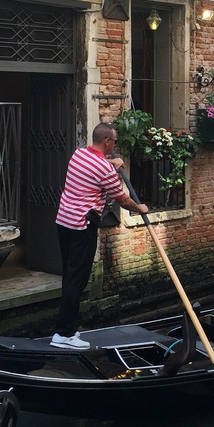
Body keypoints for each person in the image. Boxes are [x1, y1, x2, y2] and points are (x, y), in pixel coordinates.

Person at [51, 122, 149, 350]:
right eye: (114, 142)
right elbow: (121, 199)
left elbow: (96, 167)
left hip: (63, 221)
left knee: (69, 274)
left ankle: (65, 329)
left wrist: (113, 163)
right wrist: (140, 208)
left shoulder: (78, 154)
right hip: (82, 226)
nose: (114, 145)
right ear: (107, 142)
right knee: (78, 279)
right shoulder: (103, 169)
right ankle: (64, 334)